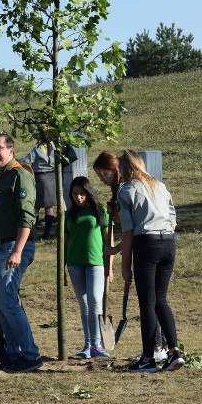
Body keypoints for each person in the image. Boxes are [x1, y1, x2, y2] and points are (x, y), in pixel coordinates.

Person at [0, 133, 43, 373]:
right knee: (1, 304)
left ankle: (30, 355)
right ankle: (13, 355)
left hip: (13, 247)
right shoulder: (0, 177)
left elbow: (27, 216)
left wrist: (17, 249)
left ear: (11, 150)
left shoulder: (19, 175)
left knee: (8, 302)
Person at [93, 150, 168, 363]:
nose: (103, 180)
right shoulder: (121, 190)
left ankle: (158, 346)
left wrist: (118, 254)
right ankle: (157, 346)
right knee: (151, 300)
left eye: (104, 174)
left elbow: (131, 229)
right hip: (149, 243)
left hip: (147, 244)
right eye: (99, 177)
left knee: (152, 300)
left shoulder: (130, 188)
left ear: (115, 169)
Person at [115, 150, 184, 373]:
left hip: (147, 243)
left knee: (147, 303)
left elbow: (127, 232)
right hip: (168, 242)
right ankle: (174, 351)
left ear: (124, 169)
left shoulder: (126, 190)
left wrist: (125, 266)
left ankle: (148, 359)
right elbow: (173, 219)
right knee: (160, 299)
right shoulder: (160, 186)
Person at [65, 176, 114, 358]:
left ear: (89, 193)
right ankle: (87, 345)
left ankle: (98, 344)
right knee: (84, 304)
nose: (79, 197)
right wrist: (63, 268)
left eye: (82, 194)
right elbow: (66, 241)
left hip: (96, 263)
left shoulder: (100, 211)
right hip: (74, 263)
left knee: (95, 300)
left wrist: (110, 267)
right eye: (75, 194)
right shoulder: (69, 215)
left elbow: (108, 241)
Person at [20, 134, 59, 240]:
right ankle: (46, 233)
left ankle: (32, 230)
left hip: (40, 177)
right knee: (49, 206)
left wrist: (16, 160)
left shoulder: (37, 150)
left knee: (36, 206)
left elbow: (27, 160)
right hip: (52, 177)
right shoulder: (55, 147)